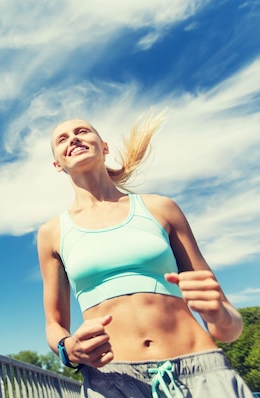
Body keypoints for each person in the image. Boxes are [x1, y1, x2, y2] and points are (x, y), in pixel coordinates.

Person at [37, 113, 254, 397]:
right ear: (57, 164)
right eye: (62, 139)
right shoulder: (52, 233)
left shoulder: (161, 209)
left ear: (104, 146)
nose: (73, 138)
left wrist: (219, 316)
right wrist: (69, 349)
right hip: (110, 380)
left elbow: (229, 328)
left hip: (199, 371)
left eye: (82, 131)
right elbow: (54, 325)